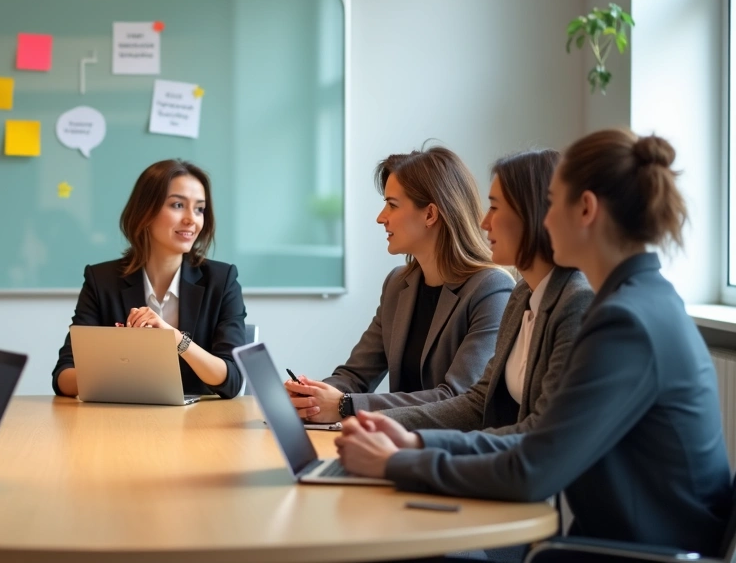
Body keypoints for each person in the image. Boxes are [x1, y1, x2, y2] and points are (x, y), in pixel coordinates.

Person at [335, 129, 732, 556]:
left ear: (585, 209)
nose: (545, 217)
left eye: (553, 202)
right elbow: (530, 436)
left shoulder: (624, 321)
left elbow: (533, 467)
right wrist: (415, 441)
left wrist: (396, 462)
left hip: (638, 552)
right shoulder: (637, 299)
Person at [286, 147, 514, 421]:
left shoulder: (491, 289)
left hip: (453, 454)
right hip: (397, 446)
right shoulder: (398, 284)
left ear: (430, 215)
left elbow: (455, 398)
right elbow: (356, 375)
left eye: (392, 205)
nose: (381, 217)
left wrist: (346, 405)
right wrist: (312, 398)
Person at [379, 149, 592, 434]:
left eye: (494, 207)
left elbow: (542, 436)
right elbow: (478, 403)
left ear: (533, 213)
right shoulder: (521, 296)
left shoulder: (575, 302)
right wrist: (375, 423)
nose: (483, 222)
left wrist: (419, 447)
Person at [52, 159, 246, 399]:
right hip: (121, 423)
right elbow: (63, 377)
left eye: (199, 209)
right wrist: (119, 363)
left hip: (197, 426)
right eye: (177, 205)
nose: (191, 220)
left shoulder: (222, 279)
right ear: (146, 211)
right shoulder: (101, 280)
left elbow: (232, 379)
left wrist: (175, 339)